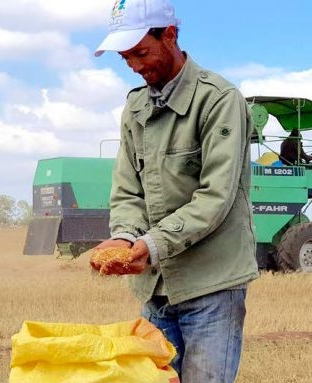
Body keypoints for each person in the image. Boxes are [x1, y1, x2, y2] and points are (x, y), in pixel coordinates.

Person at [89, 0, 259, 382]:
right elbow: (128, 190)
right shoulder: (135, 108)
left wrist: (150, 245)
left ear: (170, 35)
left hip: (211, 285)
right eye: (125, 58)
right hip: (155, 288)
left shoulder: (218, 100)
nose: (134, 65)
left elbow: (216, 198)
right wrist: (122, 236)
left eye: (141, 52)